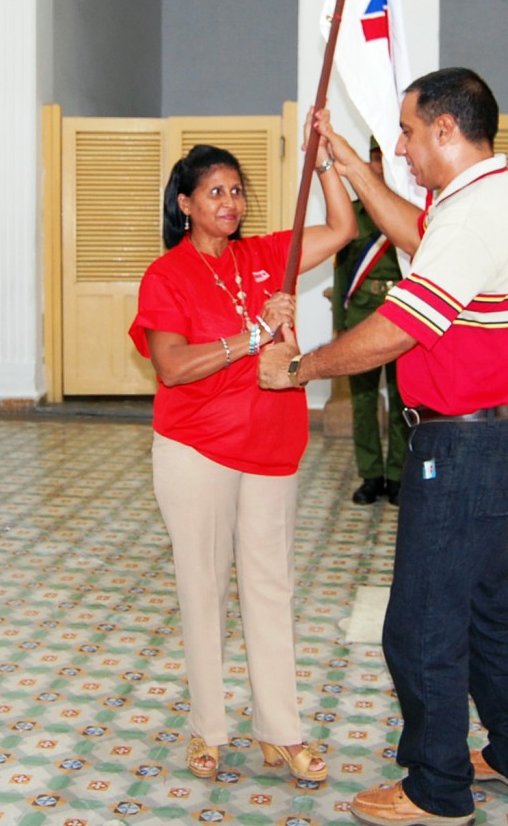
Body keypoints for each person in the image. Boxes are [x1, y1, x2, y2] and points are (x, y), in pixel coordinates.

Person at [259, 68, 508, 826]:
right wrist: (350, 167)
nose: (401, 147)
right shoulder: (497, 195)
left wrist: (299, 368)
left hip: (459, 447)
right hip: (493, 435)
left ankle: (436, 787)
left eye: (408, 131)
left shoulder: (475, 215)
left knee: (422, 620)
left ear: (446, 130)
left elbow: (398, 329)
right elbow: (419, 238)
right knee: (485, 606)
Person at [128, 135, 356, 782]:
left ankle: (280, 731)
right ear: (186, 204)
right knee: (203, 588)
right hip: (196, 449)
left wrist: (327, 160)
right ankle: (207, 728)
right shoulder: (167, 274)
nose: (230, 202)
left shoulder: (263, 256)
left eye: (236, 190)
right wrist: (255, 333)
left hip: (271, 447)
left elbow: (342, 227)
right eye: (214, 192)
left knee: (270, 588)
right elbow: (173, 366)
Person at [332, 136, 409, 506]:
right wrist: (340, 323)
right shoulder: (352, 213)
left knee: (402, 400)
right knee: (363, 402)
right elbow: (341, 272)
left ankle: (397, 475)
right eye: (374, 158)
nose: (380, 166)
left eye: (385, 158)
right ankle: (371, 475)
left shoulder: (408, 209)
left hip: (401, 314)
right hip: (362, 314)